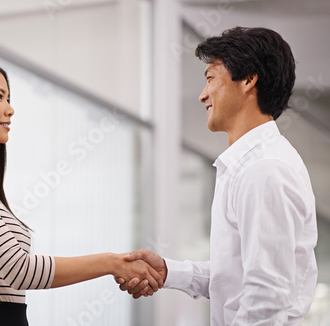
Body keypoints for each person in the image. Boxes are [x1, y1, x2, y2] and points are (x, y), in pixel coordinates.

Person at [0, 58, 164, 326]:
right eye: (0, 96)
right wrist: (112, 262)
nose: (10, 110)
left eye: (9, 98)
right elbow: (19, 270)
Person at [117, 27, 318, 325]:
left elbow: (266, 297)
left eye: (211, 78)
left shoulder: (265, 169)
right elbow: (237, 274)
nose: (202, 95)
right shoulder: (248, 165)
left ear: (249, 80)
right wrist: (168, 272)